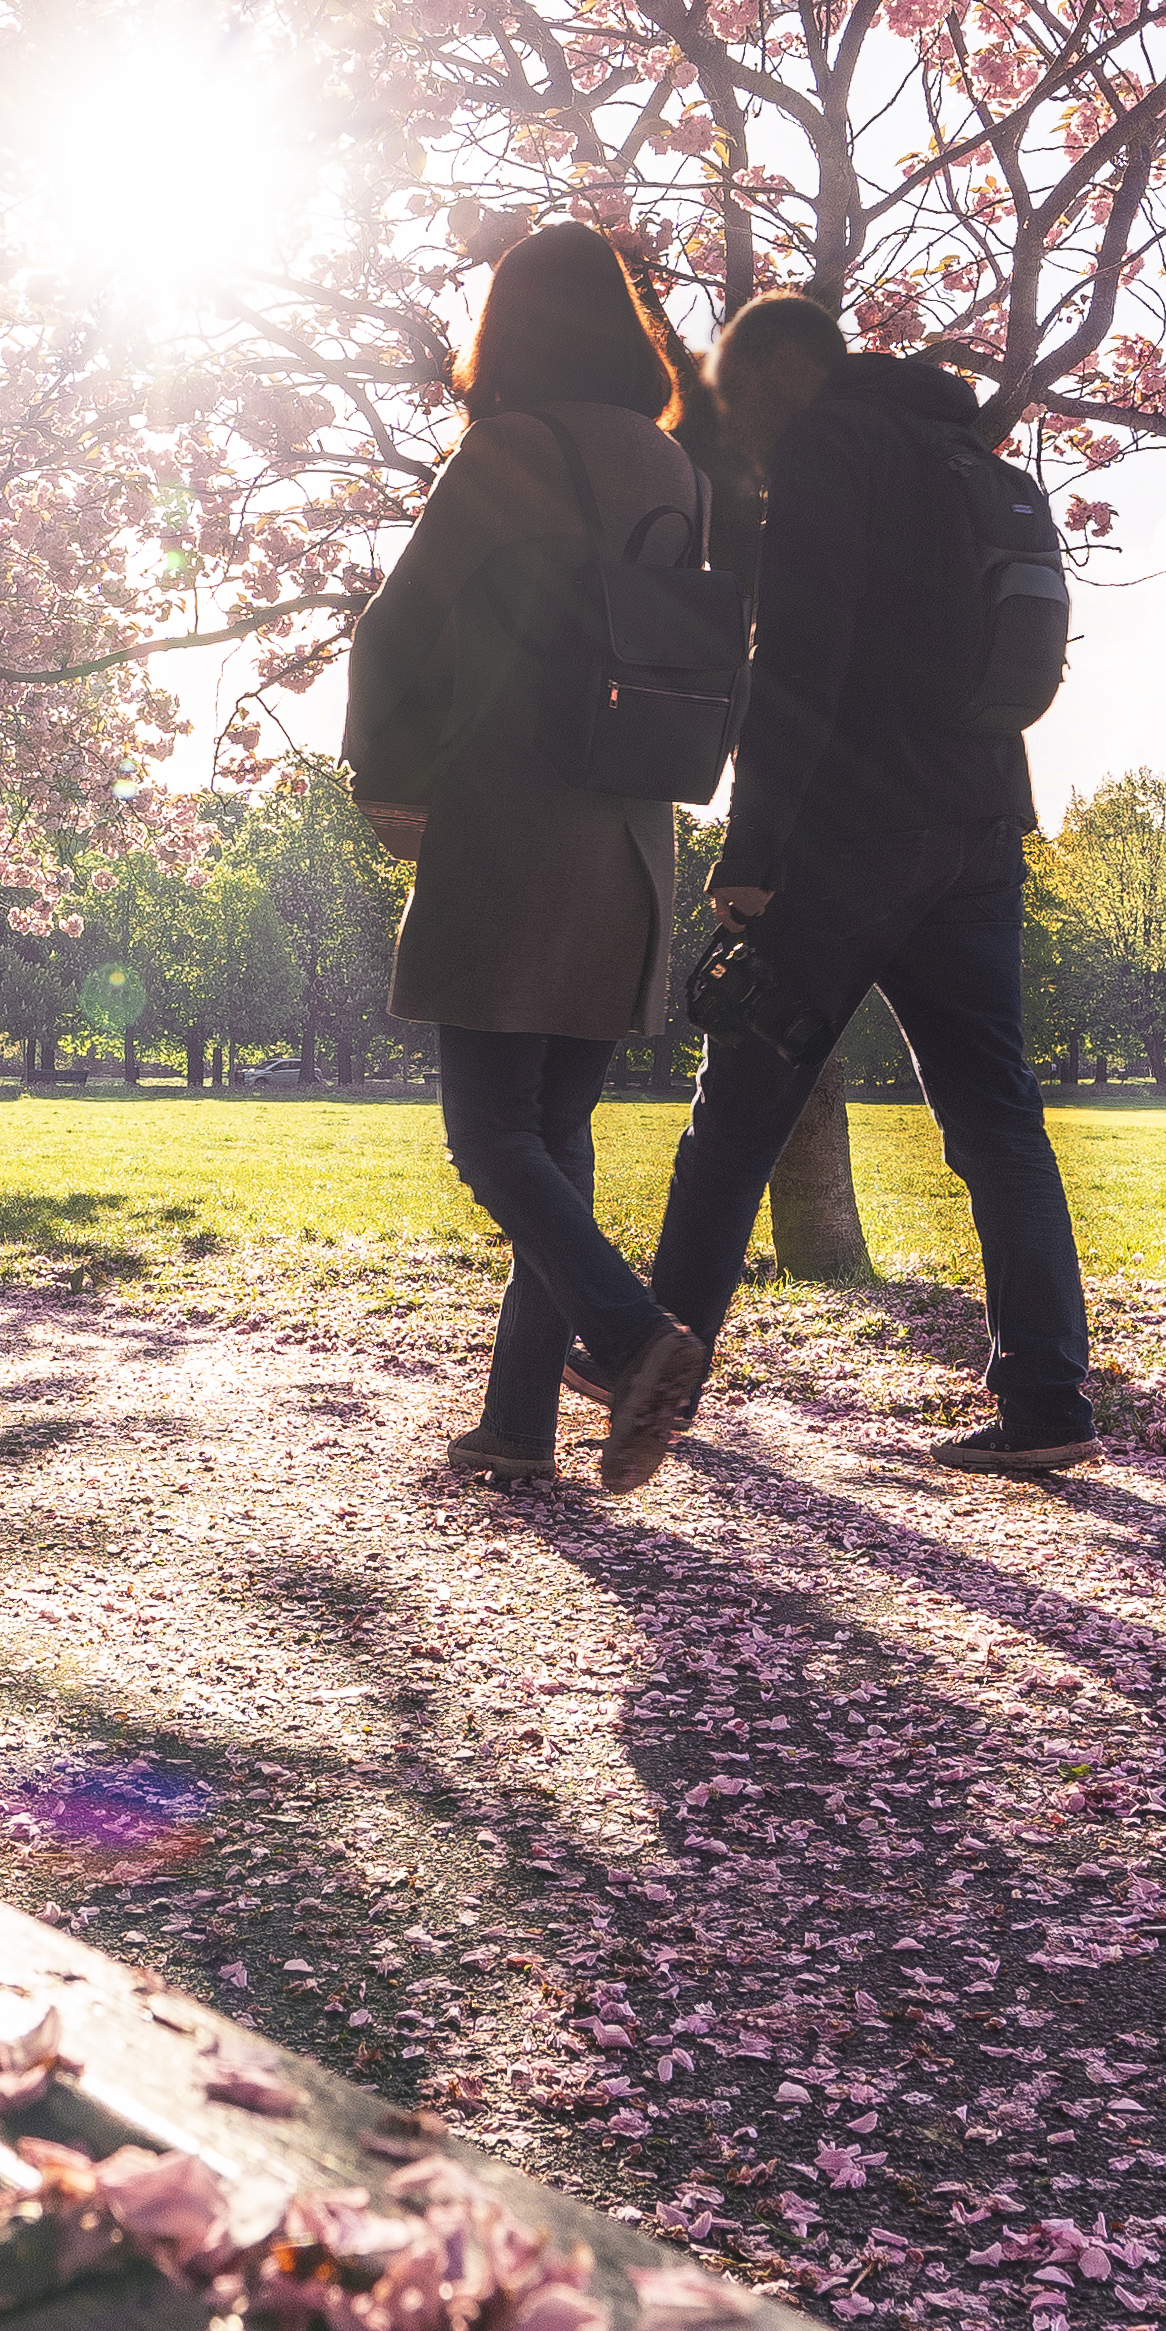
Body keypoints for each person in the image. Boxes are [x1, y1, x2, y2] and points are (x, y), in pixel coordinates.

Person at [604, 292, 1093, 1490]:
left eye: (733, 386)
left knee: (737, 1110)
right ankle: (1045, 1400)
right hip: (980, 823)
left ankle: (651, 1356)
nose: (734, 415)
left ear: (780, 365)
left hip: (851, 830)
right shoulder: (961, 450)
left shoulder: (833, 440)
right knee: (996, 1118)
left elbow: (801, 659)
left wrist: (753, 848)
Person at [346, 223, 740, 1485]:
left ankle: (629, 1343)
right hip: (627, 841)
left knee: (488, 1134)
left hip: (512, 830)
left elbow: (395, 630)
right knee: (553, 1140)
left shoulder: (514, 453)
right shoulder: (676, 469)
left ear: (508, 330)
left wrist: (387, 783)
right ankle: (517, 1426)